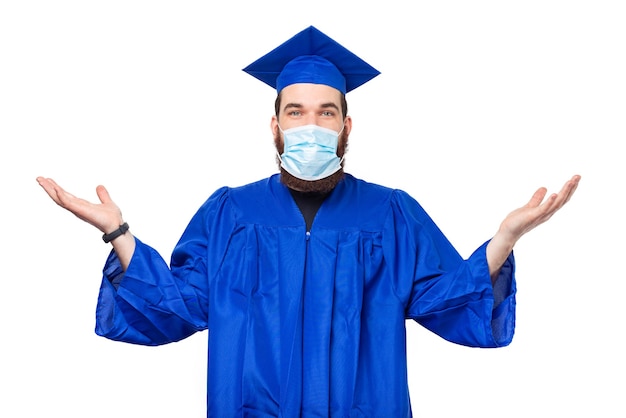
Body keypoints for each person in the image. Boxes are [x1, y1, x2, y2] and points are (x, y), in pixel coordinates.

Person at [37, 26, 580, 417]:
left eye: (327, 112)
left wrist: (504, 239)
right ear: (274, 124)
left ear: (347, 125)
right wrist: (118, 233)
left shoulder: (391, 213)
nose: (311, 126)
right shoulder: (231, 211)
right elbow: (179, 304)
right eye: (296, 112)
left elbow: (446, 299)